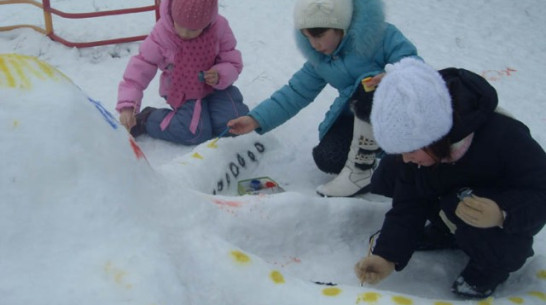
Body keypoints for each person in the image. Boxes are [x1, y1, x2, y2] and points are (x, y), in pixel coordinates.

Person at [354, 58, 546, 298]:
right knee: (394, 175)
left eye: (410, 150)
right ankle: (448, 232)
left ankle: (488, 269)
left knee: (463, 206)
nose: (406, 158)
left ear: (434, 136)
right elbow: (407, 205)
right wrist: (386, 257)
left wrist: (501, 213)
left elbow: (540, 192)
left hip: (501, 221)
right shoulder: (424, 149)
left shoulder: (504, 137)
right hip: (454, 194)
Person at [227, 0, 420, 197]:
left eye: (319, 35)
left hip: (398, 118)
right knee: (328, 157)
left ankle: (364, 171)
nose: (314, 44)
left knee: (370, 86)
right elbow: (296, 92)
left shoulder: (381, 36)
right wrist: (255, 119)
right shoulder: (322, 59)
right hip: (356, 118)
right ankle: (368, 166)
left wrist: (394, 76)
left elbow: (415, 66)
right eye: (307, 36)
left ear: (340, 25)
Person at [116, 0, 249, 145]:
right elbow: (141, 66)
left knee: (235, 123)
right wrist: (128, 105)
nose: (185, 33)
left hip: (215, 86)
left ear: (207, 23)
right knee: (194, 132)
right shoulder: (162, 34)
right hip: (182, 89)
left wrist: (220, 75)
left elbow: (233, 61)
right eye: (179, 25)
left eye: (193, 30)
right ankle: (148, 119)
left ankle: (208, 115)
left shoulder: (219, 28)